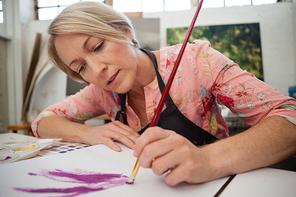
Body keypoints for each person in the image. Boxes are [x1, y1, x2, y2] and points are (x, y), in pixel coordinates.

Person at [32, 1, 296, 186]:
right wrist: (89, 133)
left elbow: (290, 117)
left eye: (98, 46)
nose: (97, 70)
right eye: (81, 67)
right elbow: (43, 121)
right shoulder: (102, 92)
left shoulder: (195, 61)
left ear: (124, 31)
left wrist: (209, 159)